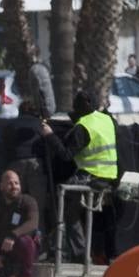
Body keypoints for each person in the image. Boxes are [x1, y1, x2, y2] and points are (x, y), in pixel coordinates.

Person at [50, 89, 118, 261]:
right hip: (109, 176)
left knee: (65, 207)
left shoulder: (83, 127)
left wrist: (50, 136)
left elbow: (65, 155)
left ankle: (77, 253)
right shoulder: (106, 119)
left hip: (91, 175)